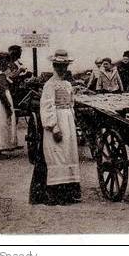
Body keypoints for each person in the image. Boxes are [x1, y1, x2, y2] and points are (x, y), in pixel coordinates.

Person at [31, 49, 81, 205]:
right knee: (57, 155)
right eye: (59, 66)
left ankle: (69, 193)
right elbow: (47, 107)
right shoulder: (49, 85)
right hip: (57, 122)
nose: (62, 69)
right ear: (54, 65)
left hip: (68, 121)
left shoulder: (67, 84)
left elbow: (71, 103)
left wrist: (72, 120)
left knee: (68, 154)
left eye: (65, 66)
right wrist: (54, 127)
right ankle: (55, 195)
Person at [0, 52, 18, 155]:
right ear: (4, 63)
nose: (8, 65)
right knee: (1, 124)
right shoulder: (1, 76)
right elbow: (2, 94)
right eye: (7, 63)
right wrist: (8, 107)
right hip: (0, 104)